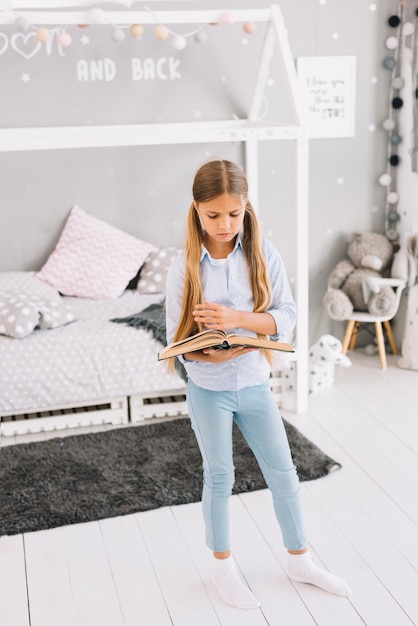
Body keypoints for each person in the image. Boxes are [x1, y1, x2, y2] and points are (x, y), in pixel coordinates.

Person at [165, 159, 351, 610]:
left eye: (234, 213)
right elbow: (176, 345)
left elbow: (285, 317)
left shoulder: (264, 255)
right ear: (196, 210)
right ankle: (222, 568)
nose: (225, 224)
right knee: (220, 475)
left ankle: (299, 559)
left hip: (254, 383)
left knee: (284, 474)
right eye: (214, 215)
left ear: (246, 207)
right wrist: (206, 350)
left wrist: (238, 322)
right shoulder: (183, 268)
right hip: (208, 388)